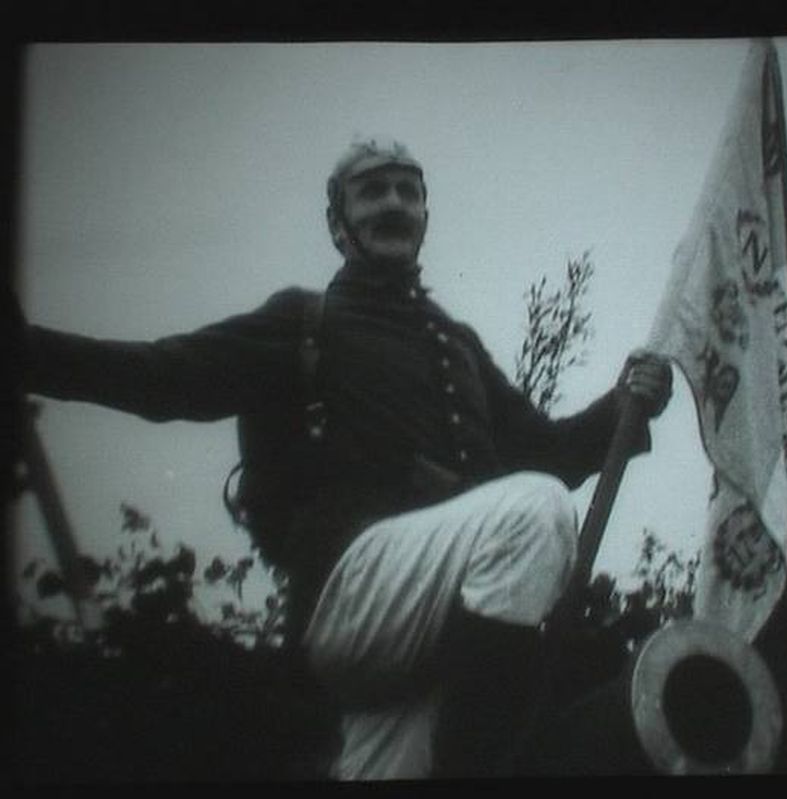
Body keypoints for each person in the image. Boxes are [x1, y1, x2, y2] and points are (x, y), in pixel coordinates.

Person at [20, 136, 673, 779]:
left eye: (408, 192)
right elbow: (163, 375)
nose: (393, 203)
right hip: (350, 592)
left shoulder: (458, 343)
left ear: (424, 216)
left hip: (440, 628)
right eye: (371, 191)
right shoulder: (306, 321)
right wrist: (28, 351)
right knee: (535, 512)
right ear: (337, 223)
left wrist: (624, 405)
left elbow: (550, 451)